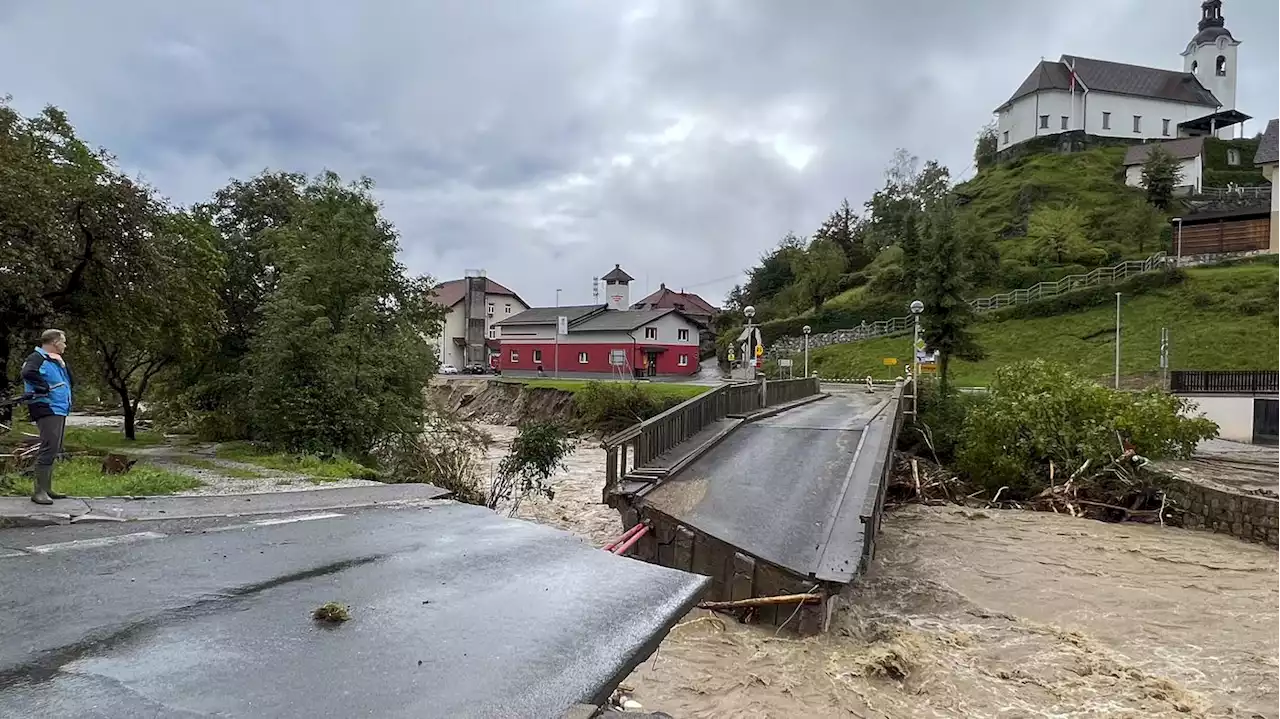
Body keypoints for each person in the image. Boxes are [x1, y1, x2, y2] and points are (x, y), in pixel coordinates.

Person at [21, 329, 73, 505]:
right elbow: (28, 373)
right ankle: (39, 492)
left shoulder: (53, 360)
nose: (65, 345)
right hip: (47, 407)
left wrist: (63, 365)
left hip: (58, 408)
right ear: (55, 342)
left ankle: (47, 488)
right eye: (63, 341)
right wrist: (43, 387)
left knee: (54, 447)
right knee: (48, 447)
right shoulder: (37, 357)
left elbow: (69, 381)